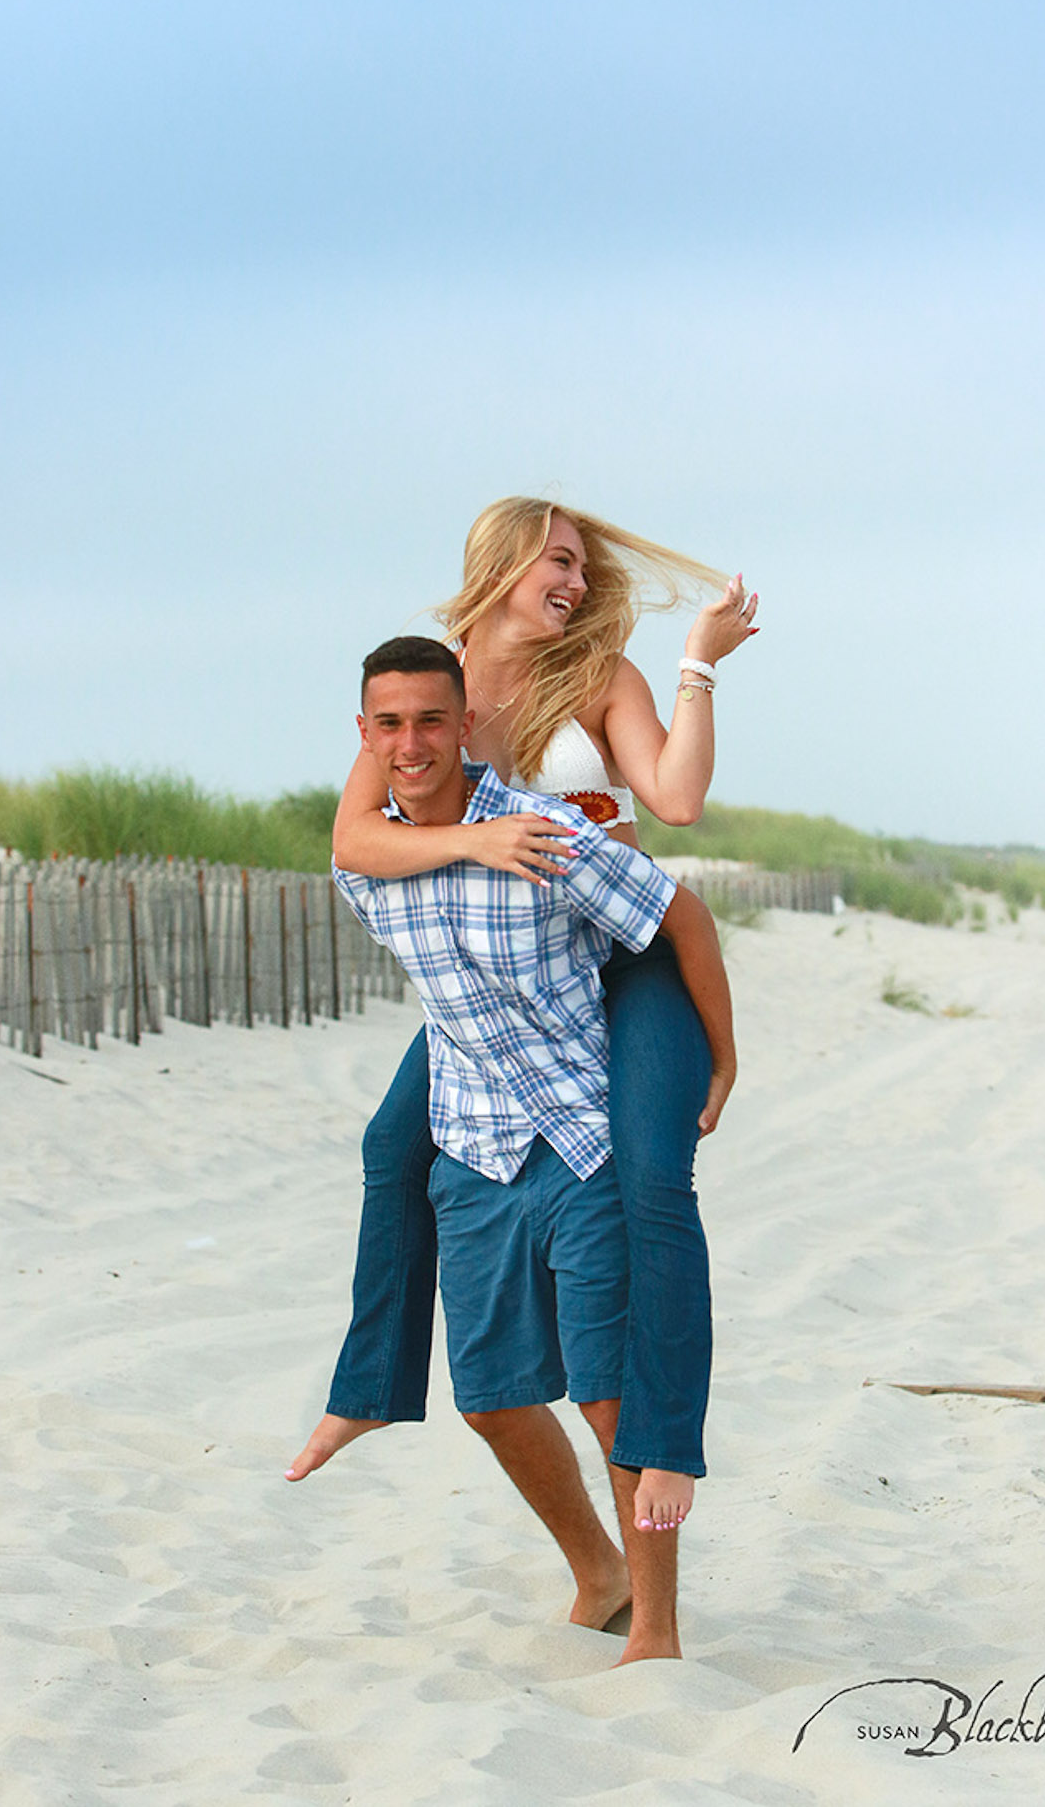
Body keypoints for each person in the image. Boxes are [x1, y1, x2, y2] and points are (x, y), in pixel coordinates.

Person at [288, 497, 757, 1531]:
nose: (578, 585)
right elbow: (359, 841)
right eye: (560, 562)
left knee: (652, 1174)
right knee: (388, 1146)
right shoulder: (432, 691)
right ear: (503, 566)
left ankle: (668, 1440)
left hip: (623, 958)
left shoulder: (595, 677)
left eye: (583, 568)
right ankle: (368, 1391)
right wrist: (473, 845)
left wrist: (699, 663)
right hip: (512, 974)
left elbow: (675, 803)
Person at [329, 637, 737, 1663]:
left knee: (605, 1391)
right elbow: (357, 843)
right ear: (366, 736)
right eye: (391, 725)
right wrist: (462, 843)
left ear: (467, 725)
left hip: (580, 1134)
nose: (412, 742)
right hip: (476, 1147)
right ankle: (596, 1573)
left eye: (432, 721)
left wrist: (722, 1060)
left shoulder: (549, 831)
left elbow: (680, 916)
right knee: (494, 1399)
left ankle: (656, 1627)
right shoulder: (371, 864)